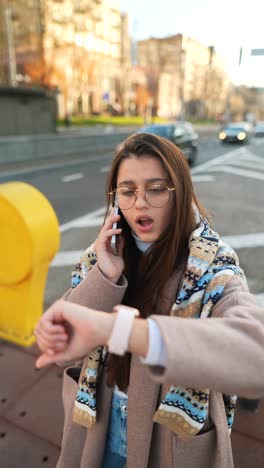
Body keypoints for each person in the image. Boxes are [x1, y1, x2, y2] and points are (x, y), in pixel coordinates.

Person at [34, 133, 264, 468]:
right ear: (115, 199)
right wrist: (105, 273)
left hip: (170, 443)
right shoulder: (102, 255)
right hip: (102, 423)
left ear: (179, 191)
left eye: (156, 189)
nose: (140, 202)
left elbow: (256, 357)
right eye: (127, 191)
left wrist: (120, 330)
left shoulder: (214, 264)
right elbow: (64, 348)